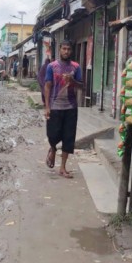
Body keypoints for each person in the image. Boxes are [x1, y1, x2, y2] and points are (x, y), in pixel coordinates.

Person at [44, 40, 83, 179]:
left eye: (68, 49)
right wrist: (47, 106)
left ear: (71, 51)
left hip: (71, 107)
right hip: (55, 107)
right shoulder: (51, 66)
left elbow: (82, 86)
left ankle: (62, 167)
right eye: (64, 49)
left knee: (68, 138)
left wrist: (72, 81)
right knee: (52, 134)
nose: (66, 51)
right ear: (59, 50)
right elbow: (47, 85)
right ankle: (53, 149)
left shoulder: (76, 67)